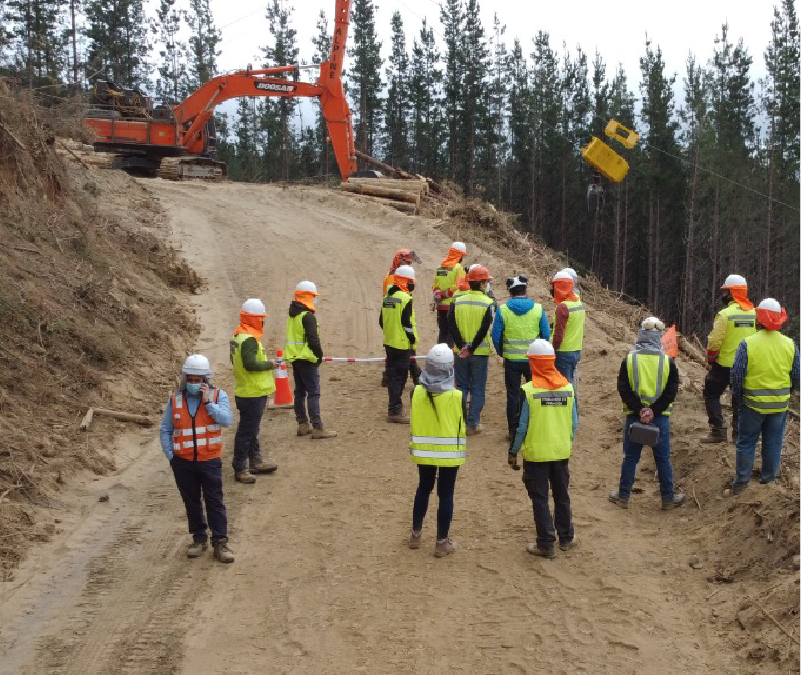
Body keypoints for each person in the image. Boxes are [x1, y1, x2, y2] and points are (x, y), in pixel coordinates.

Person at [160, 354, 235, 563]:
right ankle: (199, 538)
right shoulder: (175, 399)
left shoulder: (218, 396)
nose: (193, 384)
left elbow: (226, 420)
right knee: (191, 501)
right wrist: (171, 455)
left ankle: (220, 542)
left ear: (205, 380)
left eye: (198, 380)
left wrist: (208, 403)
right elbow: (166, 429)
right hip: (183, 462)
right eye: (190, 380)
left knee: (214, 501)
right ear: (185, 378)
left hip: (209, 460)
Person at [608, 317, 686, 510]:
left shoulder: (630, 359)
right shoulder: (668, 361)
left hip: (635, 416)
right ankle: (668, 498)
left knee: (631, 457)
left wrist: (640, 410)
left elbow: (623, 388)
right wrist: (654, 411)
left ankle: (623, 496)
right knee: (663, 459)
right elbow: (671, 390)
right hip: (660, 418)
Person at [507, 339, 576, 558]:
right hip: (561, 451)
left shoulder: (528, 391)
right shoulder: (567, 387)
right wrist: (565, 442)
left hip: (537, 455)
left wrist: (513, 452)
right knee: (562, 495)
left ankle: (546, 543)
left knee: (540, 498)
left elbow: (522, 427)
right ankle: (566, 537)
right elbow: (574, 424)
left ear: (534, 364)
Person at [729, 298, 799, 494]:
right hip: (779, 405)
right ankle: (769, 481)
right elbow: (797, 375)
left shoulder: (748, 344)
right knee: (773, 441)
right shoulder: (790, 344)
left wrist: (738, 397)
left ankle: (741, 483)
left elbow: (738, 375)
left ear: (758, 318)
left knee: (746, 441)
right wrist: (787, 393)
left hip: (752, 404)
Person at [408, 344, 466, 558]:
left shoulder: (416, 392)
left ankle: (415, 535)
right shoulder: (457, 396)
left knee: (423, 487)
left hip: (424, 452)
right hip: (450, 454)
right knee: (446, 494)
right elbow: (464, 420)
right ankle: (441, 542)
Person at [492, 275, 551, 440]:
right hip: (533, 360)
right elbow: (546, 334)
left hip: (511, 360)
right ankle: (533, 428)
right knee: (534, 393)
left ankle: (513, 431)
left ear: (510, 292)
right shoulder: (538, 309)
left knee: (512, 396)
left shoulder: (503, 310)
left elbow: (495, 336)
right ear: (526, 290)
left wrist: (501, 352)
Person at [702, 274, 757, 444]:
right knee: (739, 400)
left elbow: (714, 341)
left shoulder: (725, 315)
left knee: (711, 394)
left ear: (732, 292)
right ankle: (738, 435)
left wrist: (711, 358)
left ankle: (718, 431)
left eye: (725, 291)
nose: (723, 294)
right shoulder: (755, 314)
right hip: (746, 366)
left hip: (724, 365)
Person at [230, 298, 278, 484]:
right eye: (260, 319)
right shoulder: (248, 339)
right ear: (254, 319)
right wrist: (270, 364)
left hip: (245, 390)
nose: (263, 322)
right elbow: (250, 364)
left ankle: (255, 460)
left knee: (251, 429)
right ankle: (240, 467)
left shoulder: (238, 336)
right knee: (247, 431)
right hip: (252, 392)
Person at [286, 281, 337, 440]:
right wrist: (319, 356)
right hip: (308, 359)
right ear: (307, 297)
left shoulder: (293, 315)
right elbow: (313, 340)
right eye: (313, 296)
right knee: (313, 393)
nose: (315, 300)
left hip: (296, 359)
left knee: (299, 392)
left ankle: (302, 424)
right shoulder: (307, 317)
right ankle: (317, 427)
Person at [448, 265, 494, 435]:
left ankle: (460, 421)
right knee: (478, 389)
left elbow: (450, 324)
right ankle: (472, 423)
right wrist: (472, 347)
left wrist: (461, 346)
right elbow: (484, 329)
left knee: (461, 386)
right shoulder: (488, 302)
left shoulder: (457, 300)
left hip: (459, 352)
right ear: (482, 284)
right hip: (479, 353)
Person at [380, 265, 419, 423]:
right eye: (410, 281)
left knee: (392, 376)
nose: (412, 284)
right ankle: (395, 411)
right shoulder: (405, 299)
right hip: (402, 344)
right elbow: (407, 323)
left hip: (389, 342)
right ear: (404, 281)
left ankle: (393, 408)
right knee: (399, 378)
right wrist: (412, 339)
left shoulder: (387, 297)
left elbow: (381, 321)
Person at [382, 250, 422, 388]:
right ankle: (416, 376)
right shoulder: (394, 277)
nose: (409, 265)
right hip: (395, 312)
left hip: (392, 312)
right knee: (407, 350)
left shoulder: (394, 274)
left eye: (410, 263)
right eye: (407, 262)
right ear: (399, 260)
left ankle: (388, 376)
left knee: (395, 352)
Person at [550, 270, 585, 420]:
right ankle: (573, 414)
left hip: (563, 352)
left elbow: (558, 336)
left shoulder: (563, 307)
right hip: (576, 350)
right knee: (570, 384)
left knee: (565, 387)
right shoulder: (578, 302)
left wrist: (552, 350)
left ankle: (570, 417)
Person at [433, 242, 467, 346]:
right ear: (459, 255)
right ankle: (449, 357)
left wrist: (438, 294)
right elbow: (459, 286)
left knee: (442, 331)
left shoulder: (440, 267)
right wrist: (445, 294)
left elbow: (435, 285)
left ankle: (439, 355)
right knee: (452, 333)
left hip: (440, 306)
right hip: (453, 305)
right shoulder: (458, 268)